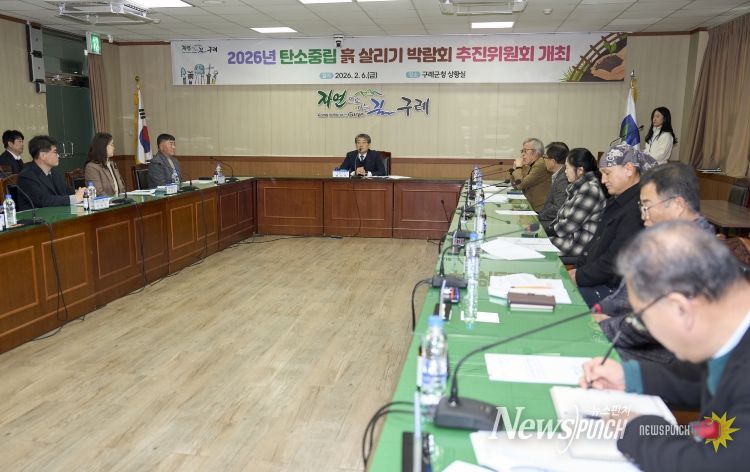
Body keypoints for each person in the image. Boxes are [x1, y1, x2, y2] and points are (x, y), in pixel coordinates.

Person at [580, 221, 750, 472]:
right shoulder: (730, 326)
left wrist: (636, 428)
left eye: (643, 317)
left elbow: (714, 464)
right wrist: (629, 376)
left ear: (680, 308)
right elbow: (704, 378)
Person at [595, 163, 715, 363]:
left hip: (650, 359)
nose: (644, 216)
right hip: (624, 334)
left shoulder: (693, 251)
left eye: (647, 206)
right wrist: (599, 310)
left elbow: (654, 323)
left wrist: (603, 326)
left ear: (677, 205)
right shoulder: (667, 239)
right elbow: (623, 297)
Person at [569, 143, 656, 306]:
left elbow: (615, 262)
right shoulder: (618, 201)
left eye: (607, 173)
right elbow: (595, 244)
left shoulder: (638, 207)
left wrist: (579, 276)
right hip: (595, 279)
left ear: (628, 169)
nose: (603, 180)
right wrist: (578, 269)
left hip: (612, 291)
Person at [549, 148, 607, 257]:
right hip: (566, 240)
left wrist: (546, 231)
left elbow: (569, 225)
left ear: (580, 170)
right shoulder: (579, 187)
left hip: (576, 246)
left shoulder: (590, 190)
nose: (565, 171)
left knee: (533, 247)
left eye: (567, 167)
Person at [16, 135, 85, 211]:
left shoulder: (55, 173)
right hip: (38, 217)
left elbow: (66, 191)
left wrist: (81, 192)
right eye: (55, 152)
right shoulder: (27, 176)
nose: (58, 155)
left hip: (58, 214)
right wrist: (74, 198)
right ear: (43, 155)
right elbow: (43, 201)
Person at [510, 138, 551, 212]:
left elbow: (521, 184)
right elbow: (515, 185)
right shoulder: (530, 164)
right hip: (529, 206)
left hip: (539, 210)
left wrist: (518, 167)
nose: (522, 154)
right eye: (522, 151)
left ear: (535, 152)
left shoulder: (541, 164)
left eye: (525, 151)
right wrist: (514, 169)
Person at [537, 141, 570, 232]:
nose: (543, 160)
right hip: (548, 217)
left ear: (553, 161)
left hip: (556, 223)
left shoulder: (563, 179)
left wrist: (538, 217)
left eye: (545, 157)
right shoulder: (558, 175)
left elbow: (558, 208)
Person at [84, 132, 126, 197]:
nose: (114, 148)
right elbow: (98, 193)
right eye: (111, 145)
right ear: (102, 147)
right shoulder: (91, 167)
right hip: (106, 202)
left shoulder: (112, 164)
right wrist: (115, 201)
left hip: (119, 200)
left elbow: (122, 188)